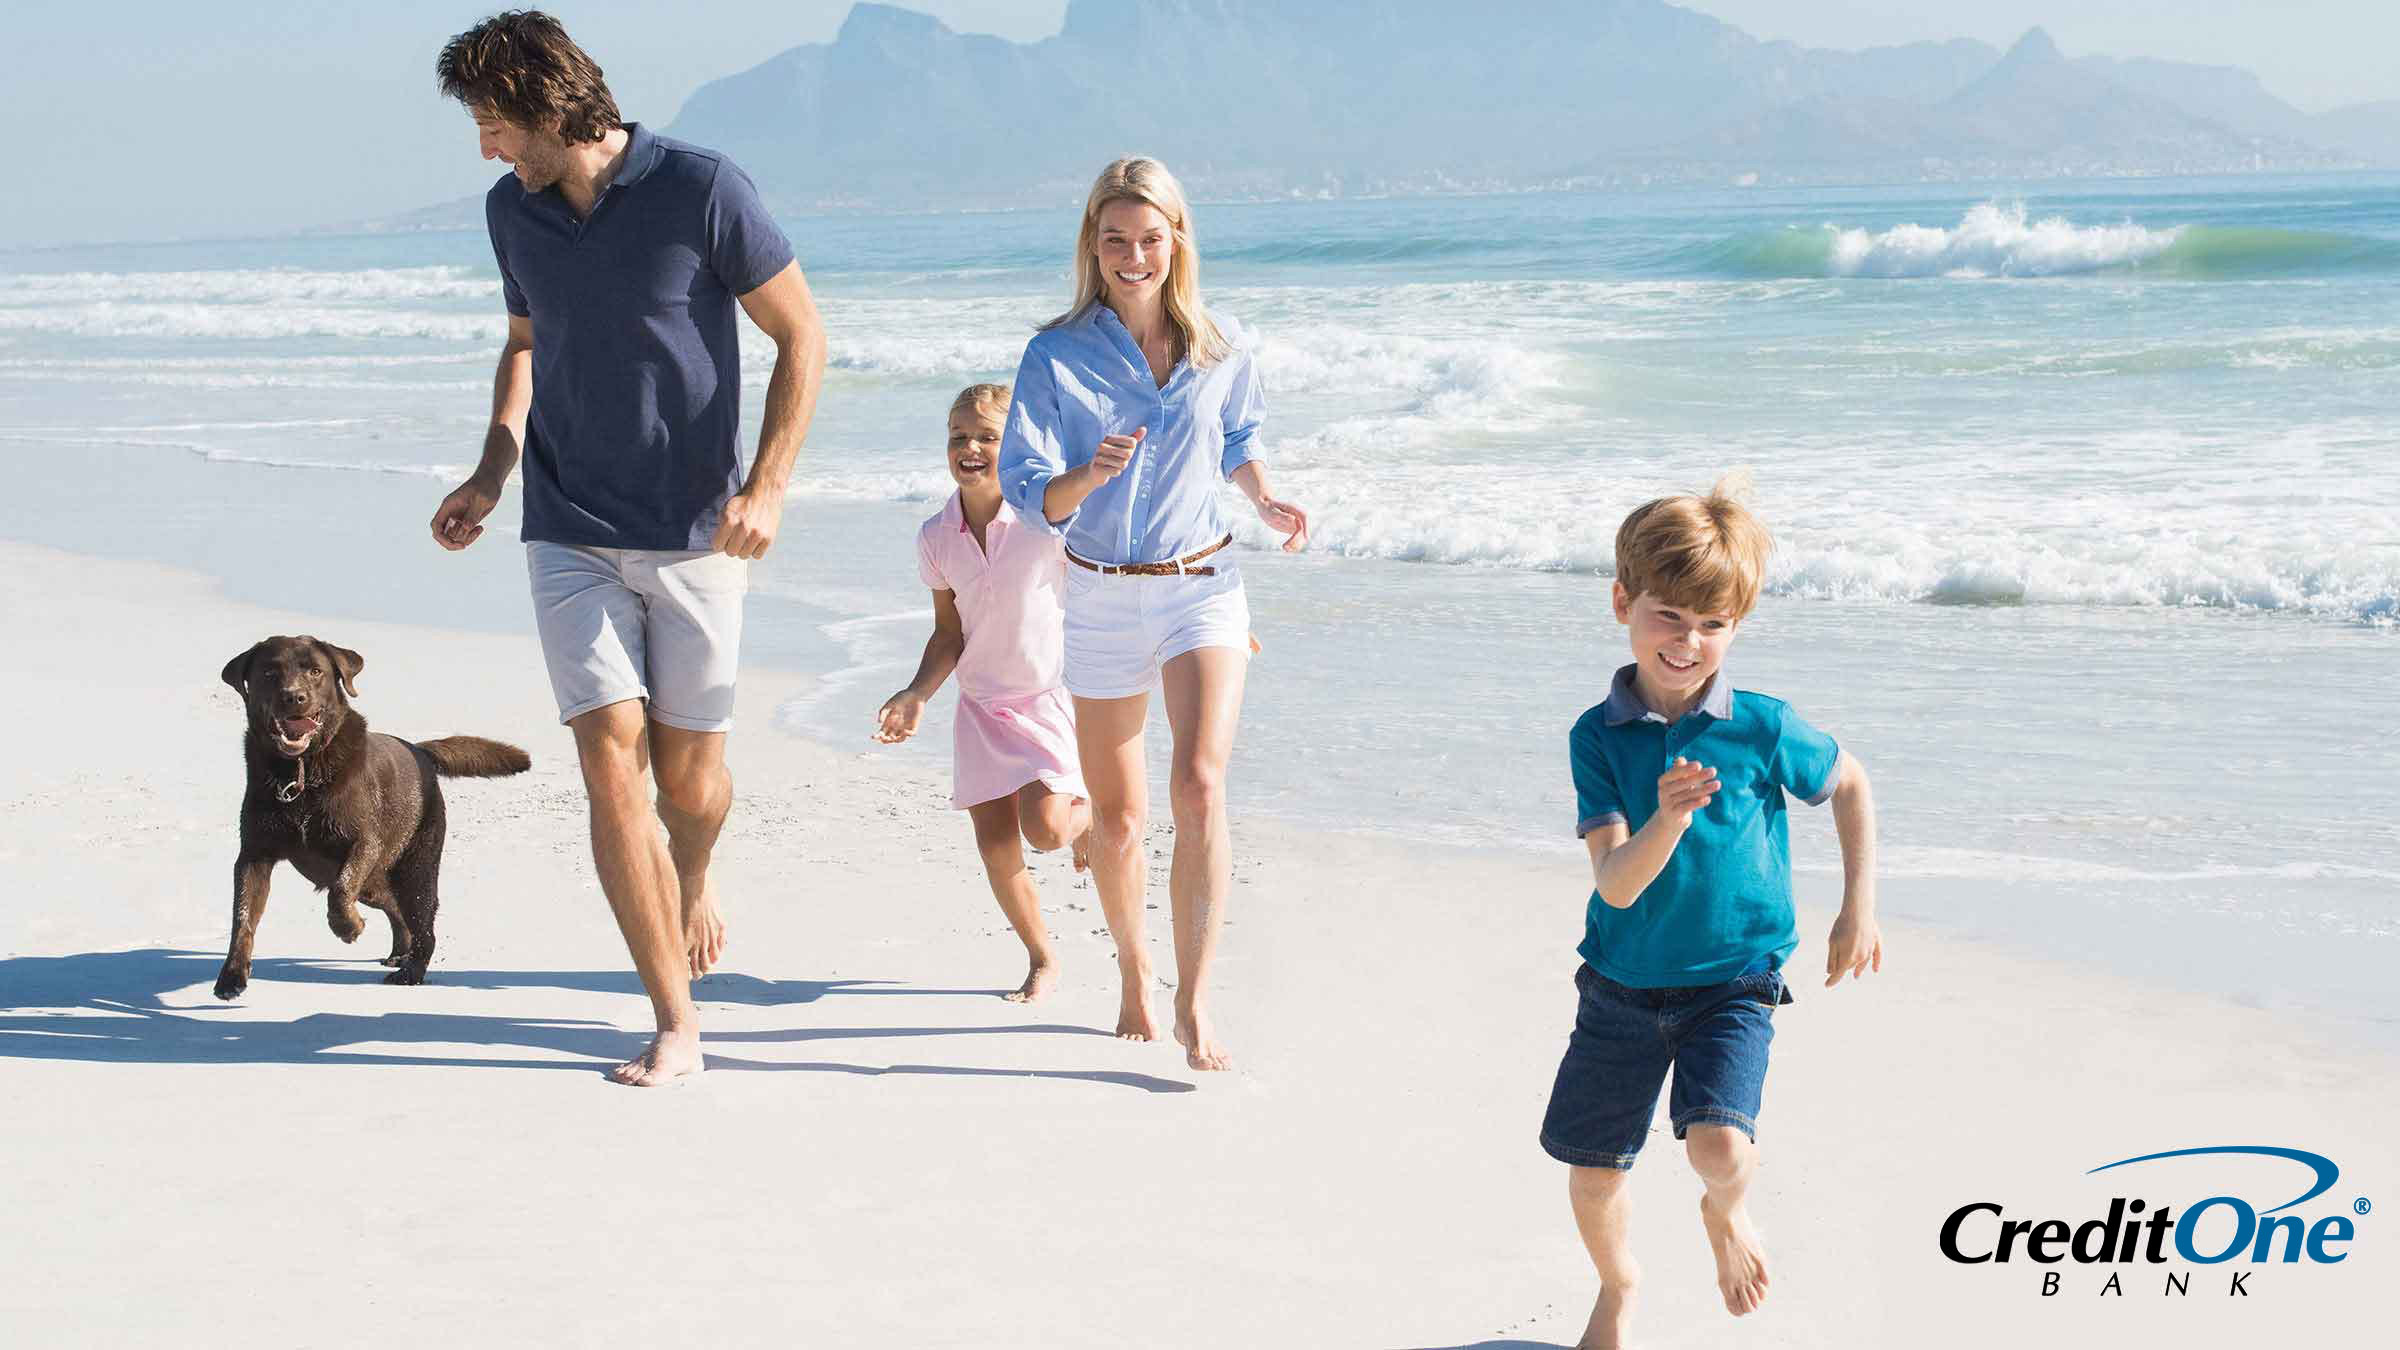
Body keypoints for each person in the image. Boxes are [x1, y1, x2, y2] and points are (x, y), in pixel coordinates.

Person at [426, 10, 827, 1086]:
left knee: (689, 782)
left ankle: (690, 875)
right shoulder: (511, 214)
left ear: (552, 105)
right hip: (567, 528)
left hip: (695, 533)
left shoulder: (703, 189)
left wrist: (769, 487)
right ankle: (675, 1020)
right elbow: (524, 349)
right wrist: (491, 470)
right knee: (610, 764)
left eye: (495, 122)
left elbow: (803, 335)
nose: (487, 148)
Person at [1539, 480, 1882, 1349]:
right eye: (1668, 617)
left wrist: (1857, 908)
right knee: (1590, 1174)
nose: (1689, 643)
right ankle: (1619, 1288)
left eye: (1713, 624)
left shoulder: (1763, 727)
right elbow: (1615, 884)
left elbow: (1850, 782)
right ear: (1624, 603)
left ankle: (1725, 1217)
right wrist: (1670, 817)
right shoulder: (1597, 737)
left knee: (1720, 1151)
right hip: (1620, 985)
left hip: (1735, 978)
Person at [996, 157, 1308, 1072]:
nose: (1134, 256)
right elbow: (1025, 489)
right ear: (1093, 245)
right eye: (1115, 239)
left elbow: (1241, 437)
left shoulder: (1223, 344)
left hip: (1204, 585)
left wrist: (1265, 497)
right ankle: (1135, 970)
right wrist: (1089, 474)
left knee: (1201, 785)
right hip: (1097, 595)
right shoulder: (1055, 353)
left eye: (1150, 238)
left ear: (1178, 241)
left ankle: (1195, 995)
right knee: (1123, 822)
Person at [874, 384, 1093, 1002]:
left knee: (1047, 830)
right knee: (998, 849)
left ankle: (1091, 817)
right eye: (957, 437)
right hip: (979, 707)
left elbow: (1111, 580)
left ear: (1016, 445)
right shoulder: (935, 535)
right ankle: (1042, 958)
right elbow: (950, 631)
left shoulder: (1044, 520)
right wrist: (917, 693)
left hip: (1045, 697)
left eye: (987, 437)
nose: (969, 448)